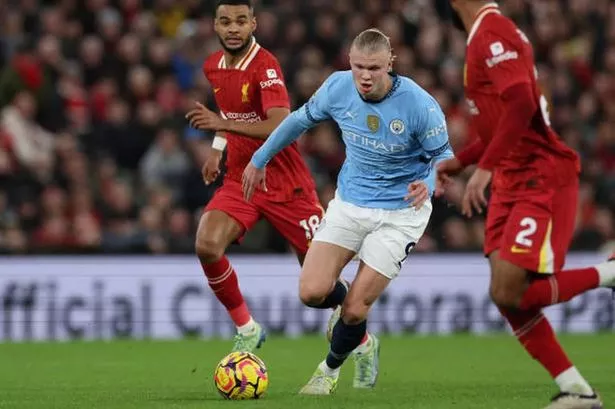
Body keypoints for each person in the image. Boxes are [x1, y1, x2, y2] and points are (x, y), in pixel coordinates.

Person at [242, 28, 454, 395]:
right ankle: (360, 335)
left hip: (401, 214)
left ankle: (327, 371)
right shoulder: (338, 87)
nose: (365, 76)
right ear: (350, 62)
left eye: (374, 68)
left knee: (356, 309)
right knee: (311, 292)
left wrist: (430, 182)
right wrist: (260, 159)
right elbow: (298, 120)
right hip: (351, 204)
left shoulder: (420, 105)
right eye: (359, 67)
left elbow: (445, 156)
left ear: (390, 63)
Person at [438, 2, 615, 408]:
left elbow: (522, 104)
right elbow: (500, 124)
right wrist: (461, 162)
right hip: (511, 180)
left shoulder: (492, 30)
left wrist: (483, 169)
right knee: (505, 294)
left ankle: (609, 273)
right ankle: (578, 391)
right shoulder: (481, 35)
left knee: (515, 290)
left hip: (539, 178)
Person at [186, 0, 331, 353]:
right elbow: (231, 110)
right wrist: (218, 148)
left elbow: (280, 123)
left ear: (253, 24)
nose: (233, 28)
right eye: (225, 21)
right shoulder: (213, 66)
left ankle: (361, 340)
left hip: (286, 182)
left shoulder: (265, 66)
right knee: (207, 245)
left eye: (240, 21)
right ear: (215, 26)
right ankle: (247, 327)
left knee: (319, 287)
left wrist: (221, 124)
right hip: (241, 178)